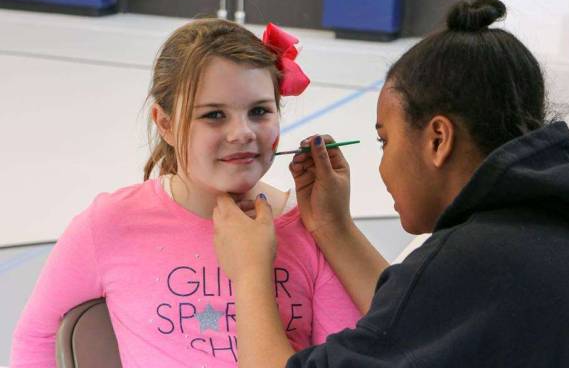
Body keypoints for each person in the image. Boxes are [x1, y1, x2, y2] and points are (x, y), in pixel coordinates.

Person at [211, 0, 569, 367]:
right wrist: (333, 227)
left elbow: (434, 301)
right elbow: (421, 318)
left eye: (385, 141)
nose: (382, 167)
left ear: (438, 139)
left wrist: (249, 271)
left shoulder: (479, 258)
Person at [10, 19, 361, 367]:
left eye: (259, 111)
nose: (242, 132)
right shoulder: (110, 224)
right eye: (214, 115)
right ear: (165, 124)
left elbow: (342, 357)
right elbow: (35, 340)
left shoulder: (312, 227)